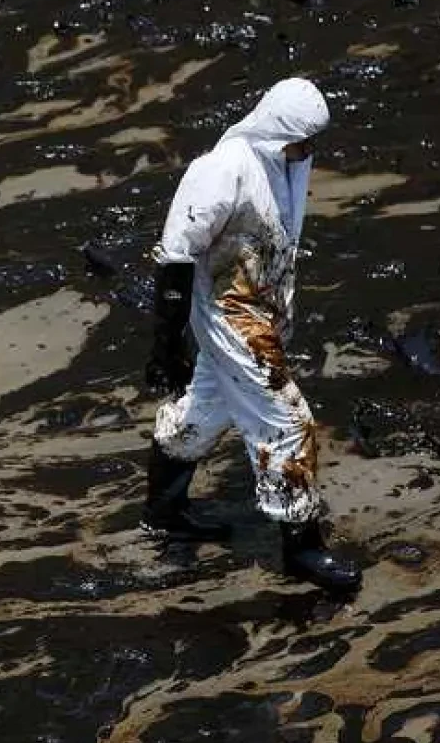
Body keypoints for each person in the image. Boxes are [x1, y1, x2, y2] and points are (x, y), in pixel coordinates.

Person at [142, 77, 362, 595]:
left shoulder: (284, 168)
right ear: (277, 128)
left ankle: (163, 512)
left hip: (259, 316)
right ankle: (302, 549)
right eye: (301, 139)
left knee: (203, 411)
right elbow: (176, 256)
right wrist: (167, 343)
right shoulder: (222, 170)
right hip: (228, 317)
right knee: (288, 422)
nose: (307, 150)